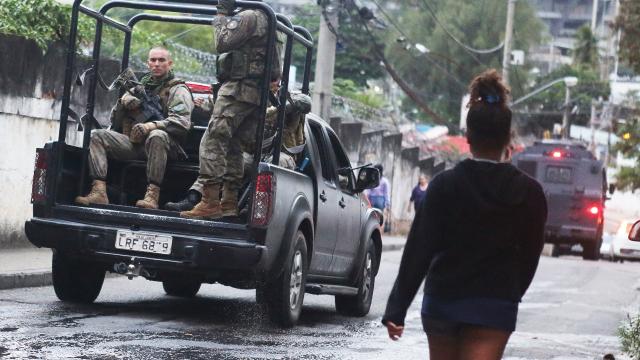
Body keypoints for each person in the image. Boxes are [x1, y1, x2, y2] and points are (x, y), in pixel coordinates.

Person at [382, 69, 548, 360]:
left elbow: (418, 250)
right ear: (508, 139)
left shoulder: (443, 186)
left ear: (468, 137)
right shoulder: (530, 193)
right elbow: (530, 256)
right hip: (494, 305)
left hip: (442, 303)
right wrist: (511, 292)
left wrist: (397, 309)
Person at [180, 0, 282, 220]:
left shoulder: (249, 17)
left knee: (213, 140)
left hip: (237, 89)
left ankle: (209, 202)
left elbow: (222, 42)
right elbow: (276, 68)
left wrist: (221, 14)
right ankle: (228, 202)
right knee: (234, 147)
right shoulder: (267, 18)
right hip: (255, 93)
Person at [165, 79, 311, 212]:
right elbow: (216, 108)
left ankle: (253, 206)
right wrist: (204, 104)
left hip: (281, 154)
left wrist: (282, 108)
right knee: (223, 160)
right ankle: (195, 198)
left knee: (272, 165)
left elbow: (305, 102)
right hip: (252, 153)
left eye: (273, 78)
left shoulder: (287, 96)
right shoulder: (250, 98)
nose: (269, 81)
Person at [74, 46, 193, 210]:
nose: (156, 64)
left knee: (156, 135)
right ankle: (99, 192)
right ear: (147, 63)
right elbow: (114, 123)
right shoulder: (138, 88)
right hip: (136, 144)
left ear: (169, 63)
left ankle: (152, 196)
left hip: (166, 148)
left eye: (161, 60)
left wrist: (151, 125)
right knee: (97, 136)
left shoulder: (177, 90)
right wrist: (123, 102)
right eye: (153, 60)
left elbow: (182, 122)